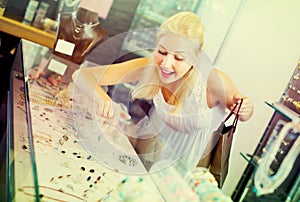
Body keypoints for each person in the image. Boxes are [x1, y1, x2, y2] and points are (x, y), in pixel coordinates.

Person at [72, 11, 253, 173]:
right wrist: (105, 100)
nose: (165, 64)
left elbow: (243, 112)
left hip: (189, 166)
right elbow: (81, 75)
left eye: (178, 58)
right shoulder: (151, 65)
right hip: (150, 154)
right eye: (162, 52)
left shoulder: (212, 79)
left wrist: (246, 109)